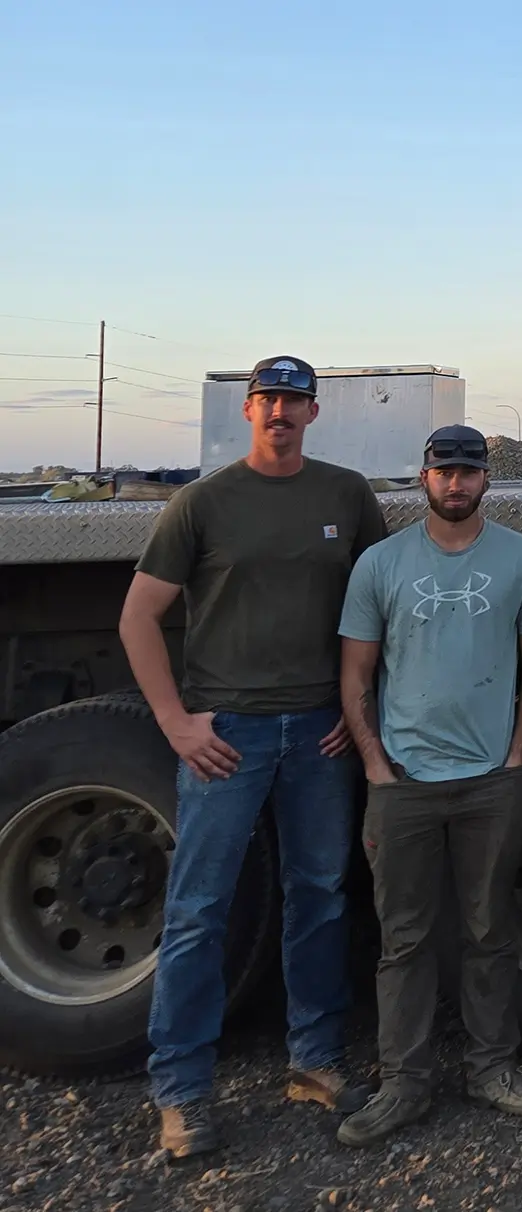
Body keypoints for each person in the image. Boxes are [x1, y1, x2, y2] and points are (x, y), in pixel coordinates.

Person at [119, 355, 385, 1159]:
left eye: (295, 401)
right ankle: (182, 1088)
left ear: (313, 414)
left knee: (322, 897)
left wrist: (357, 712)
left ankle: (314, 1060)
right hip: (224, 740)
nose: (280, 412)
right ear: (247, 410)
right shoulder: (202, 504)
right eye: (268, 399)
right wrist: (176, 724)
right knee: (200, 911)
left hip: (317, 733)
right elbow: (138, 619)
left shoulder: (346, 496)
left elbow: (381, 605)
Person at [333, 426, 522, 1145]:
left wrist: (519, 756)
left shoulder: (521, 559)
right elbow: (356, 676)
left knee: (490, 932)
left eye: (467, 472)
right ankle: (405, 1082)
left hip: (492, 779)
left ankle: (493, 1069)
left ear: (486, 479)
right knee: (404, 939)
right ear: (422, 479)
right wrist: (374, 765)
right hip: (403, 783)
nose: (455, 484)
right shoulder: (380, 565)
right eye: (443, 472)